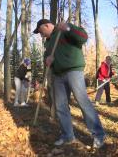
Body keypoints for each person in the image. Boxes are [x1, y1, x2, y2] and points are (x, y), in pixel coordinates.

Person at [33, 19, 105, 148]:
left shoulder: (63, 30)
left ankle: (98, 135)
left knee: (83, 101)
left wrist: (68, 28)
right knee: (60, 106)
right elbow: (47, 57)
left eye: (41, 31)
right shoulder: (48, 42)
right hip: (57, 76)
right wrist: (47, 60)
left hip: (73, 71)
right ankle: (68, 136)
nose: (41, 35)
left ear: (47, 25)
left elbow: (83, 37)